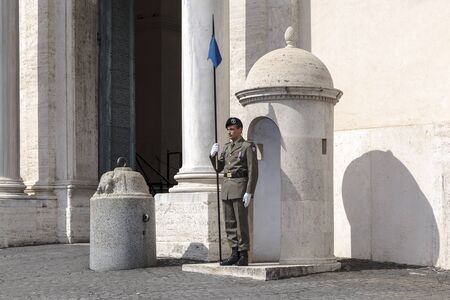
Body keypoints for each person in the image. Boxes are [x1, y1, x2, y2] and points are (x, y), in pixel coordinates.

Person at [209, 117, 258, 266]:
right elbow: (219, 168)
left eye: (232, 129)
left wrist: (249, 191)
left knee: (241, 223)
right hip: (227, 188)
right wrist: (212, 156)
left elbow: (253, 171)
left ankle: (244, 254)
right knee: (230, 222)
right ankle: (234, 253)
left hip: (240, 187)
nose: (229, 132)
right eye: (228, 129)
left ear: (240, 129)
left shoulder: (247, 147)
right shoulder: (227, 147)